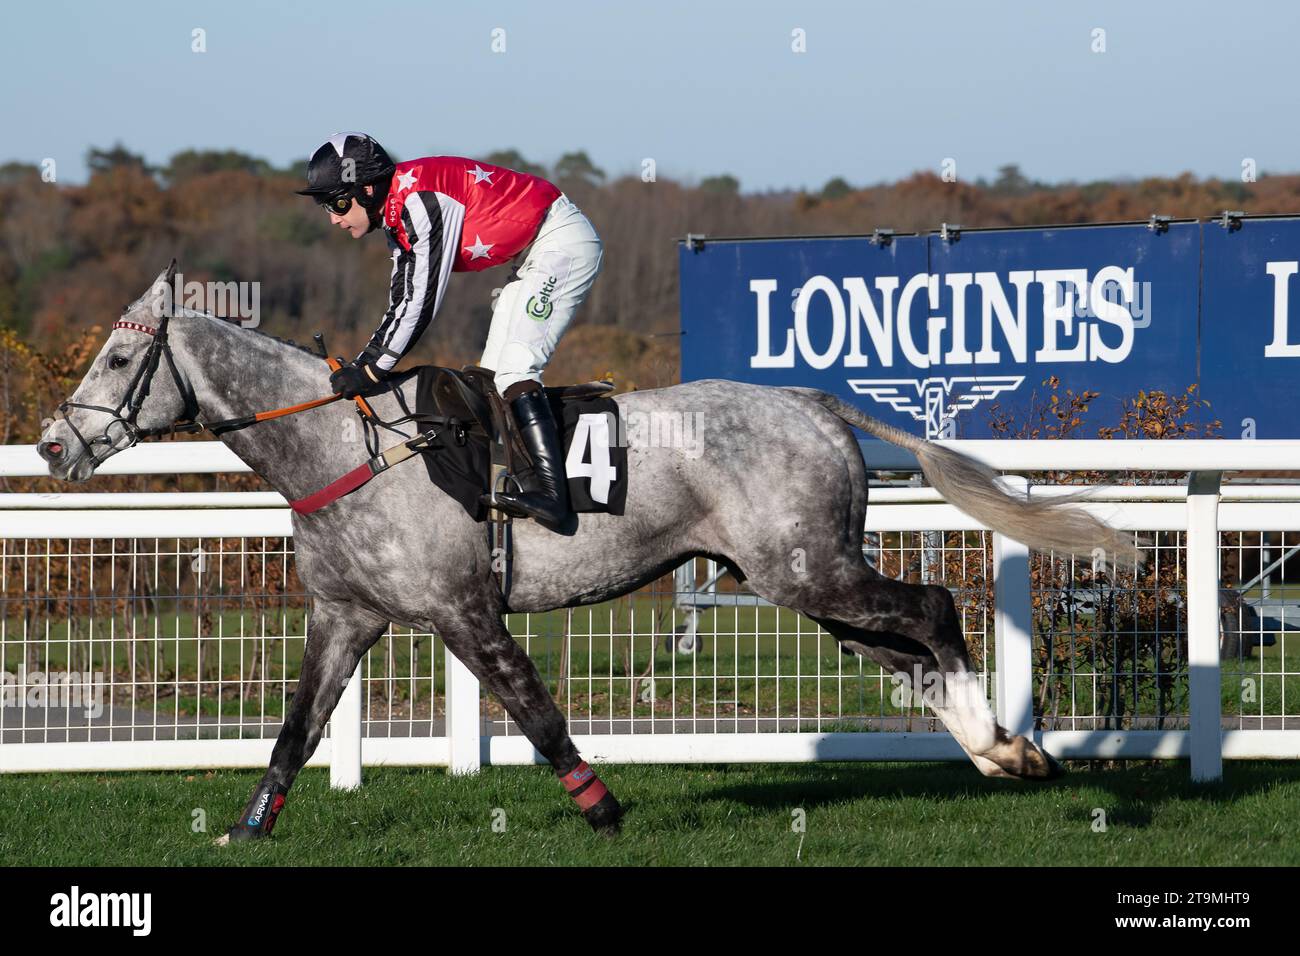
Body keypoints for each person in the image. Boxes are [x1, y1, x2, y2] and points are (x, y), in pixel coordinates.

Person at [296, 132, 603, 525]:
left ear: (368, 189)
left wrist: (371, 370)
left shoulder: (419, 204)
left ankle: (553, 496)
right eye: (326, 207)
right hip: (531, 256)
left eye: (338, 203)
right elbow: (401, 299)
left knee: (515, 371)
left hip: (561, 245)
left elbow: (420, 303)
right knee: (492, 378)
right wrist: (364, 364)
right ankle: (518, 482)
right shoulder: (395, 214)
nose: (334, 218)